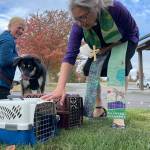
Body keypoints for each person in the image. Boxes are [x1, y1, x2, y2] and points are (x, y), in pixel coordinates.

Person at [42, 0, 139, 128]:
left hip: (126, 40)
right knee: (89, 69)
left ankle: (118, 115)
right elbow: (71, 54)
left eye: (83, 17)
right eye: (76, 19)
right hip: (101, 45)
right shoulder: (78, 26)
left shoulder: (116, 8)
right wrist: (60, 87)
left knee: (116, 67)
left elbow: (128, 33)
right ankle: (98, 108)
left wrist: (109, 48)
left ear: (96, 8)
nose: (80, 22)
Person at [0, 17, 25, 100]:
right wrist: (21, 58)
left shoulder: (5, 38)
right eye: (19, 27)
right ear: (10, 26)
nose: (21, 31)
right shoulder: (8, 40)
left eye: (23, 29)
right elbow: (5, 61)